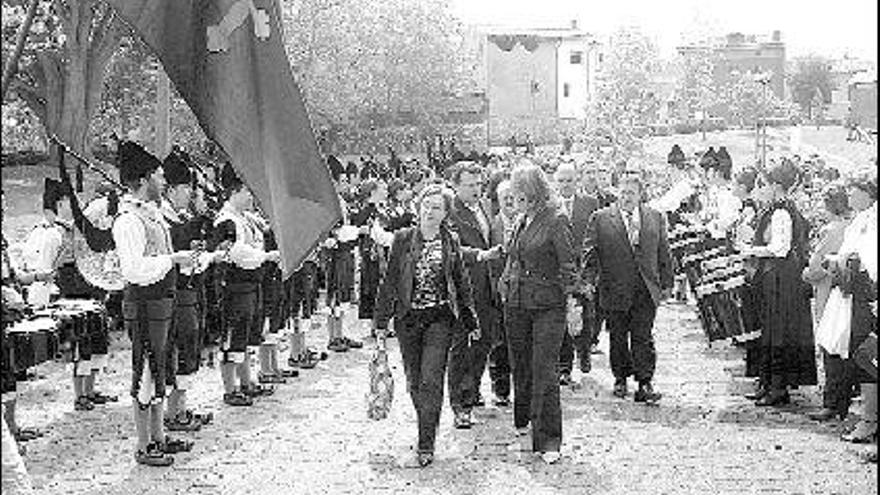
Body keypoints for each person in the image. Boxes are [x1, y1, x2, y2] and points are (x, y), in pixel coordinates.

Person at [374, 184, 478, 468]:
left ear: (446, 214)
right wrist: (380, 322)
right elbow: (390, 281)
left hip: (439, 319)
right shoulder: (403, 239)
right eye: (426, 206)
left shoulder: (450, 241)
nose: (430, 212)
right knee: (415, 382)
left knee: (431, 380)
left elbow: (460, 281)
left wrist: (470, 318)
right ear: (418, 208)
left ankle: (425, 443)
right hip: (409, 320)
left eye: (436, 208)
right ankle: (427, 422)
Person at [111, 141, 196, 466]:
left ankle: (159, 435)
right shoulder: (129, 220)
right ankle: (144, 444)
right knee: (145, 372)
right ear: (145, 179)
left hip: (162, 303)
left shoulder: (153, 215)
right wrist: (171, 259)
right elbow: (133, 270)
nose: (164, 182)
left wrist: (180, 261)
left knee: (160, 369)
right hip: (144, 305)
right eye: (160, 177)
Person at [497, 163, 577, 464]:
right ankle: (525, 419)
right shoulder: (520, 220)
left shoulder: (556, 220)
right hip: (517, 304)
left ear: (533, 193)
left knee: (545, 370)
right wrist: (504, 282)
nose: (515, 201)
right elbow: (514, 257)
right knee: (521, 366)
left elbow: (569, 264)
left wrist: (575, 304)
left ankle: (549, 440)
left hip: (547, 305)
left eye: (520, 195)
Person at [582, 172, 673, 404]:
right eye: (622, 193)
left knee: (643, 336)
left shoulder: (654, 217)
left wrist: (667, 282)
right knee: (618, 336)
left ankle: (645, 382)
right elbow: (590, 253)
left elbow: (664, 251)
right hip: (614, 287)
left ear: (640, 194)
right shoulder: (601, 219)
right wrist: (588, 281)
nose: (626, 198)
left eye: (631, 193)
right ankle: (620, 377)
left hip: (645, 288)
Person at [740, 161, 817, 406]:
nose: (763, 188)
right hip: (774, 275)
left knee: (778, 330)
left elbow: (780, 248)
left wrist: (750, 249)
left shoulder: (782, 211)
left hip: (781, 278)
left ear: (775, 185)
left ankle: (778, 386)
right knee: (770, 330)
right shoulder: (776, 208)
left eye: (765, 184)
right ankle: (768, 381)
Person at [160, 150, 221, 431]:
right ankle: (173, 413)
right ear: (171, 189)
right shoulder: (162, 220)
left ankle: (180, 408)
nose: (190, 193)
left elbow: (195, 255)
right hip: (172, 293)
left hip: (191, 290)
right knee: (178, 348)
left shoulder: (182, 217)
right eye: (186, 188)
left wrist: (208, 255)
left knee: (190, 345)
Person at [213, 163, 280, 407]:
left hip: (251, 284)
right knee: (232, 338)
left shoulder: (246, 218)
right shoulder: (226, 221)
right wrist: (264, 257)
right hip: (234, 285)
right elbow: (237, 252)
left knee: (247, 335)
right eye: (247, 192)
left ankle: (246, 382)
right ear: (234, 192)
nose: (251, 197)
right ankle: (230, 388)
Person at [817, 173, 877, 445]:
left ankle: (869, 420)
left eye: (855, 191)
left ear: (868, 193)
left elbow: (867, 262)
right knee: (857, 352)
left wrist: (841, 262)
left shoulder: (872, 221)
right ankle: (867, 416)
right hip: (853, 294)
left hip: (866, 295)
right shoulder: (860, 220)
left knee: (866, 354)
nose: (850, 196)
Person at [446, 161, 498, 429]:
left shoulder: (483, 208)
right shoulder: (451, 213)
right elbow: (453, 249)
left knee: (484, 341)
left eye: (479, 184)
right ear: (456, 186)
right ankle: (460, 405)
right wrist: (479, 255)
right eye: (470, 185)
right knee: (462, 347)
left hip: (486, 287)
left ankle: (473, 388)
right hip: (463, 290)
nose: (477, 189)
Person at [803, 185, 852, 421]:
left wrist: (805, 273)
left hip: (828, 291)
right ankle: (842, 400)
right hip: (847, 292)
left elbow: (815, 267)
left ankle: (831, 402)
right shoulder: (851, 226)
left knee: (828, 344)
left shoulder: (830, 230)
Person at [554, 162, 599, 384]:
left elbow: (596, 237)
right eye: (561, 181)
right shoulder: (551, 206)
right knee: (564, 316)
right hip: (561, 271)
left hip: (584, 269)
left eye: (569, 180)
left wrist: (591, 274)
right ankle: (564, 366)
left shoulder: (590, 203)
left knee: (586, 314)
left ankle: (584, 351)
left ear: (576, 181)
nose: (565, 185)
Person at [487, 179, 515, 407]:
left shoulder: (527, 223)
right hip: (497, 292)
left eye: (512, 195)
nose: (508, 200)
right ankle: (501, 387)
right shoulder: (491, 226)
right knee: (499, 342)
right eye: (504, 196)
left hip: (522, 292)